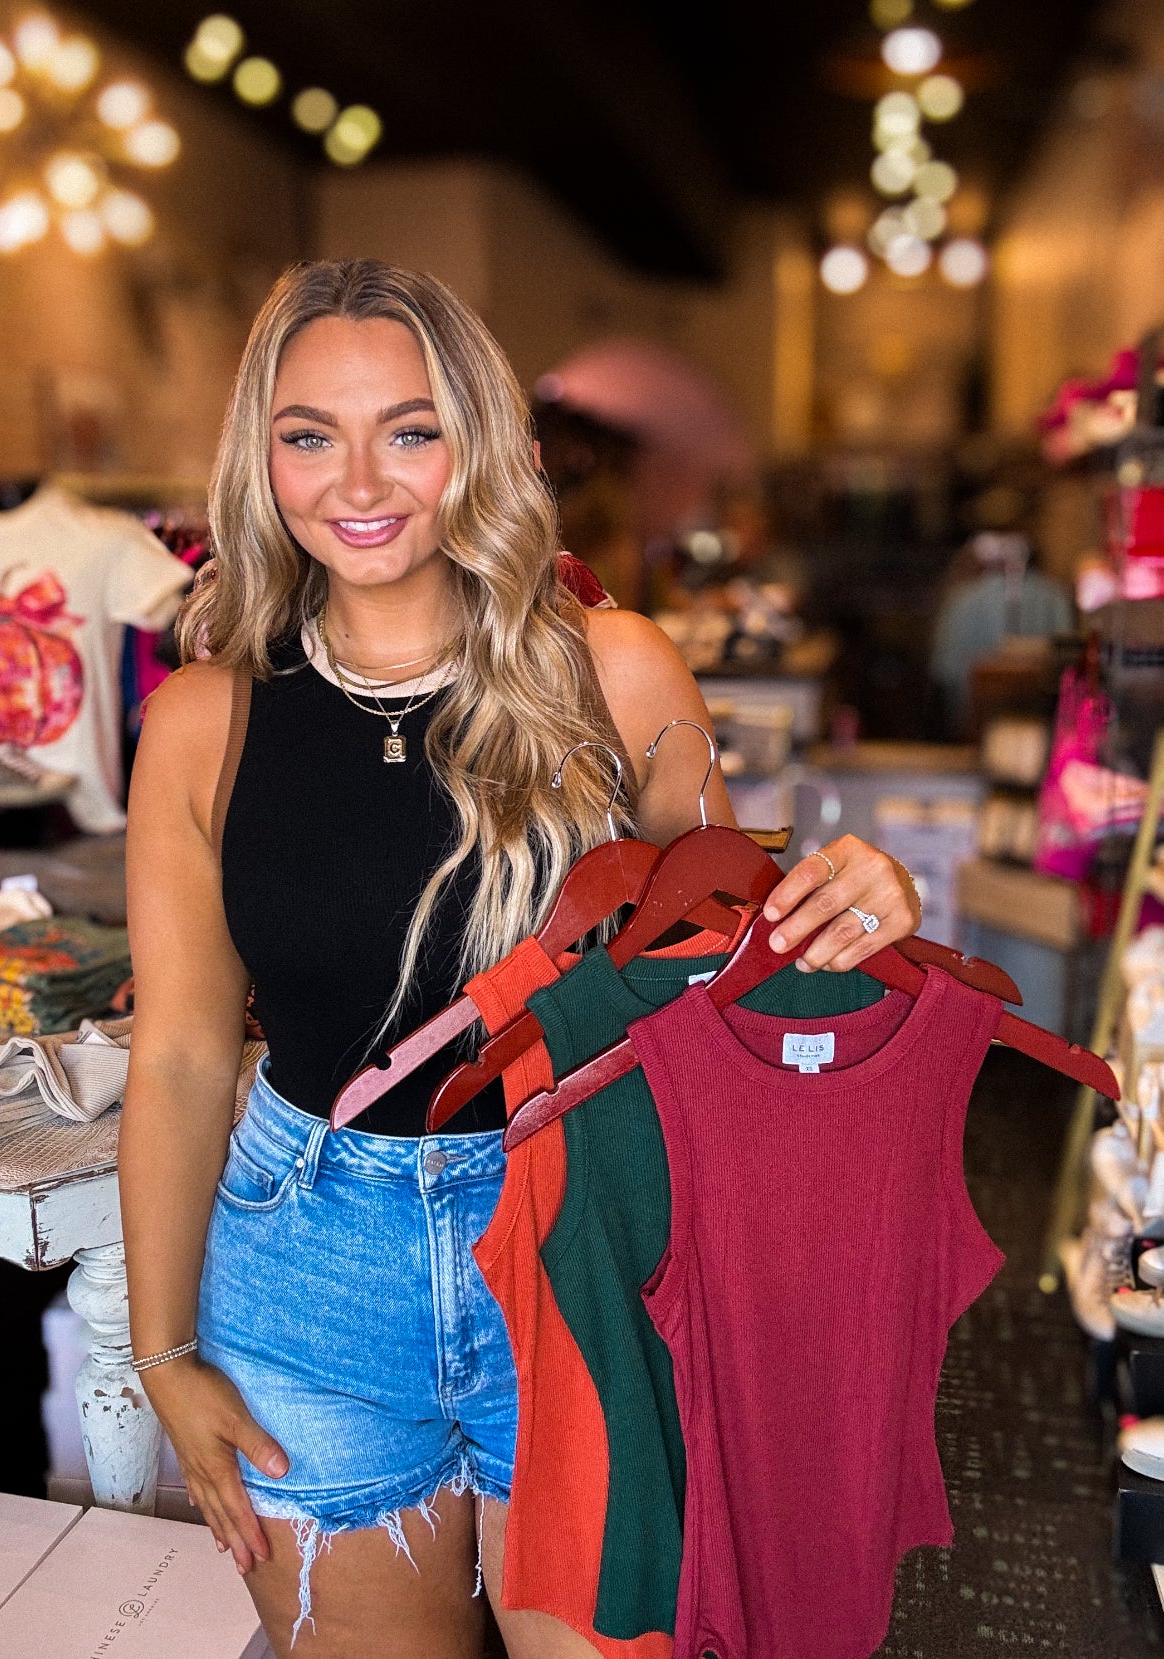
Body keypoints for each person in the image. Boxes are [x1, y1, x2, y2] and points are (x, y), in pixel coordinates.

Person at [119, 258, 920, 1659]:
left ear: (478, 444)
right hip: (306, 1271)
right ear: (262, 455)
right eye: (309, 433)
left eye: (409, 430)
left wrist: (840, 899)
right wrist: (162, 1351)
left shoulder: (612, 670)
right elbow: (184, 1053)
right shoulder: (204, 717)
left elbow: (722, 954)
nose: (356, 479)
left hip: (578, 1248)